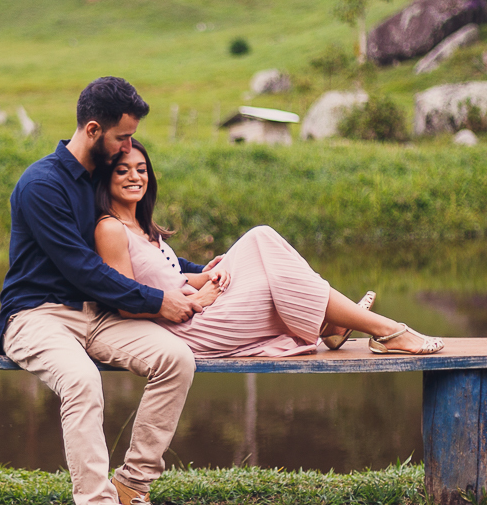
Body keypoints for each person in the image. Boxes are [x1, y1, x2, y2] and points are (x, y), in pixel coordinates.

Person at [0, 77, 211, 505]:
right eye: (122, 137)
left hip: (98, 315)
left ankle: (132, 487)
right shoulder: (41, 184)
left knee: (175, 358)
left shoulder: (99, 177)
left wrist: (197, 273)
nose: (129, 148)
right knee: (82, 381)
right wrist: (160, 302)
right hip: (37, 315)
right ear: (94, 130)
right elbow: (82, 268)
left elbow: (135, 250)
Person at [93, 139, 446, 358]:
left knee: (261, 239)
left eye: (141, 169)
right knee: (271, 285)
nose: (134, 176)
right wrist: (194, 301)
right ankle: (381, 330)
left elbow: (165, 276)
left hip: (197, 305)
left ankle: (340, 327)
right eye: (123, 170)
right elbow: (125, 300)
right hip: (189, 326)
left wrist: (203, 275)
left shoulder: (142, 227)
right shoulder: (110, 229)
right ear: (107, 178)